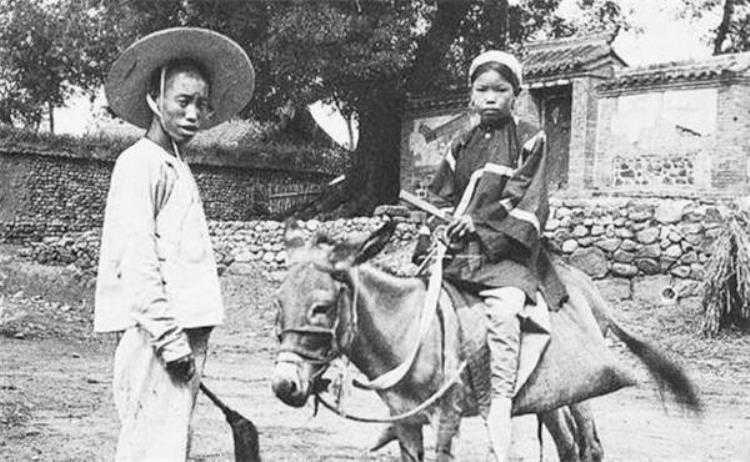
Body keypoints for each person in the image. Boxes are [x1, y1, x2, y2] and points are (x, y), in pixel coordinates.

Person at [93, 27, 254, 461]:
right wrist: (169, 340)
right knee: (151, 450)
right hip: (158, 341)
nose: (193, 113)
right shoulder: (139, 164)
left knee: (171, 446)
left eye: (202, 104)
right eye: (183, 101)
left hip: (183, 337)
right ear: (154, 99)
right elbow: (138, 262)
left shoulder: (176, 165)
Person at [427, 50, 567, 461]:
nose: (490, 97)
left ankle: (502, 403)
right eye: (482, 89)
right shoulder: (461, 142)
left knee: (505, 313)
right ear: (471, 94)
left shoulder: (530, 137)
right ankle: (426, 397)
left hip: (506, 257)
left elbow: (527, 199)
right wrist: (442, 225)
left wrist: (477, 225)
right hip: (458, 256)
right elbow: (440, 197)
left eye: (500, 90)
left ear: (515, 94)